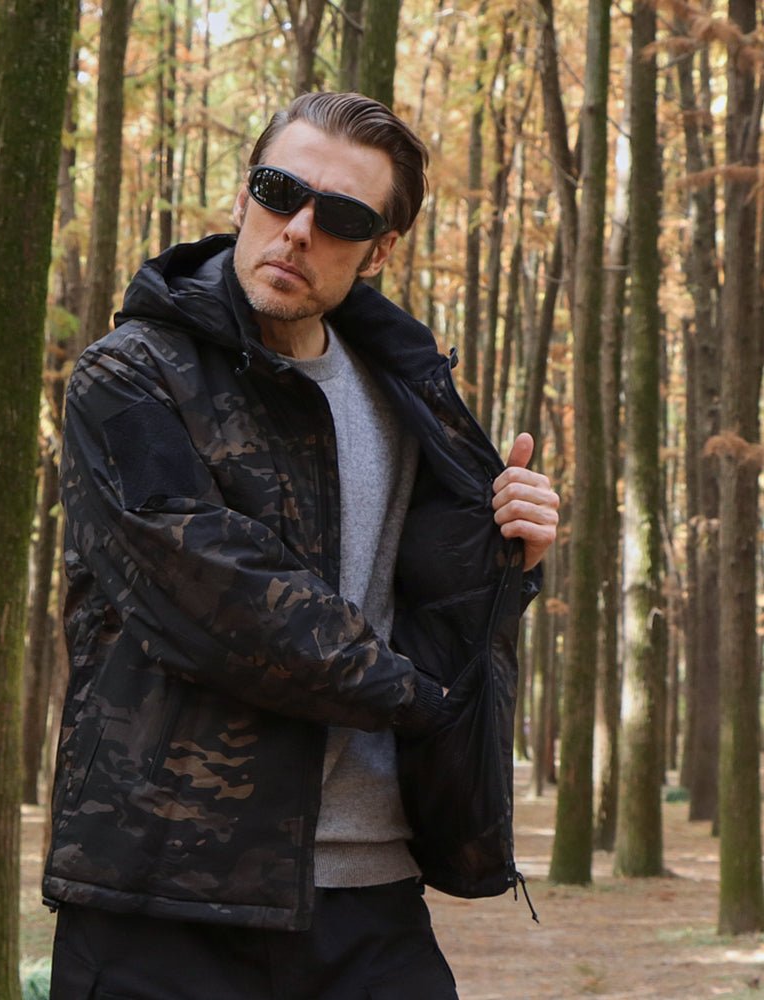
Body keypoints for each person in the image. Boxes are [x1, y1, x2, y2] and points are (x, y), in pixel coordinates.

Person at [44, 91, 559, 999]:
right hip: (164, 902)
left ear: (379, 250)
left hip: (373, 897)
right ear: (245, 193)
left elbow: (435, 608)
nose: (298, 231)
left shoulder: (410, 395)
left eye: (342, 217)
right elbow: (219, 599)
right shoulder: (129, 376)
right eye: (280, 192)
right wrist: (422, 699)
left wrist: (511, 555)